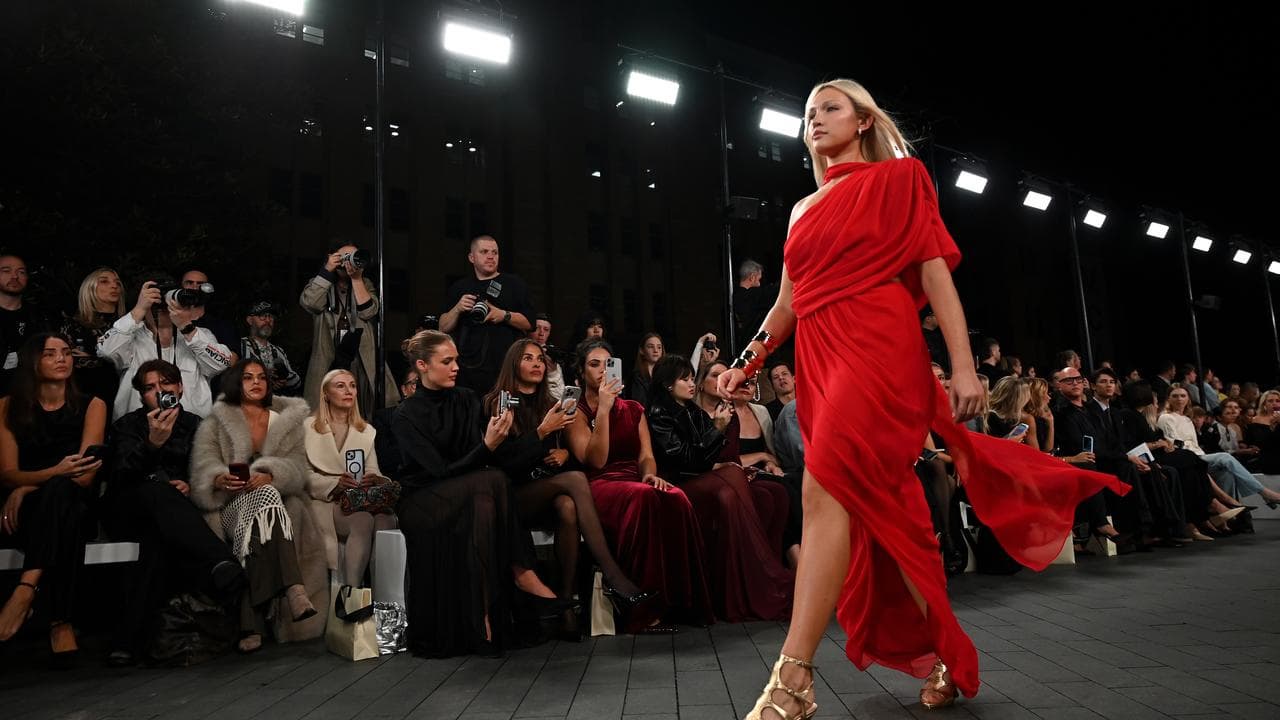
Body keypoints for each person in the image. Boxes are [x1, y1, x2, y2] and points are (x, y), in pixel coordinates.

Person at [718, 78, 1128, 717]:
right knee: (889, 514)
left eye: (831, 108)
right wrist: (745, 363)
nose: (816, 119)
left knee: (821, 487)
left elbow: (936, 273)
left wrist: (965, 369)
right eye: (809, 112)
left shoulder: (901, 178)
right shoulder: (802, 210)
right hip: (820, 357)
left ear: (862, 122)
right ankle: (942, 651)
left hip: (878, 348)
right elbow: (786, 306)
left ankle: (793, 678)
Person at [392, 330, 574, 657]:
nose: (455, 367)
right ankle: (525, 578)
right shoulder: (405, 414)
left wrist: (533, 434)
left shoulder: (466, 399)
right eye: (446, 361)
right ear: (422, 365)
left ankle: (485, 621)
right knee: (489, 483)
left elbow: (496, 460)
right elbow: (439, 472)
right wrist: (486, 446)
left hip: (470, 492)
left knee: (490, 488)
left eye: (456, 360)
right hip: (423, 502)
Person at [484, 339, 651, 640]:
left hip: (544, 488)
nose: (536, 364)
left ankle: (566, 604)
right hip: (510, 495)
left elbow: (573, 453)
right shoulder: (498, 402)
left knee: (568, 505)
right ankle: (611, 573)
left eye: (539, 359)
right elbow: (502, 463)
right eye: (527, 359)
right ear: (513, 364)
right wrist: (542, 432)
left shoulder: (551, 403)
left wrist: (563, 455)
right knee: (575, 480)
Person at [101, 359, 245, 665]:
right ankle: (219, 560)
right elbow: (120, 477)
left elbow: (208, 469)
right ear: (142, 397)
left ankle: (127, 641)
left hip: (172, 518)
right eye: (150, 388)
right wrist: (151, 445)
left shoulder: (196, 426)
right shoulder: (127, 426)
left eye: (165, 384)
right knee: (155, 489)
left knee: (153, 541)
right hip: (129, 509)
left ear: (179, 387)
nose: (159, 392)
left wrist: (191, 487)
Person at [565, 340, 714, 632]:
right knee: (643, 500)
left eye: (607, 364)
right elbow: (595, 460)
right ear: (581, 373)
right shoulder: (576, 412)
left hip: (634, 480)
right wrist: (604, 411)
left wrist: (649, 474)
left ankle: (681, 603)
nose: (601, 371)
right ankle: (645, 611)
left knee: (676, 497)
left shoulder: (634, 409)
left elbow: (646, 455)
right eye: (593, 364)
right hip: (599, 485)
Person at [190, 359, 325, 653]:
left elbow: (299, 469)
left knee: (268, 502)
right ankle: (294, 588)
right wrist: (218, 479)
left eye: (261, 377)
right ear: (236, 383)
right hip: (229, 505)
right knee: (266, 508)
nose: (256, 383)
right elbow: (201, 469)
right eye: (248, 377)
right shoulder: (216, 422)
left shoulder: (284, 421)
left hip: (272, 503)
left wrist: (271, 474)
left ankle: (250, 625)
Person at [648, 354, 793, 621]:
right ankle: (766, 569)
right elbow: (684, 461)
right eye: (685, 379)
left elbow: (712, 458)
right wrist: (717, 429)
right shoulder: (660, 413)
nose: (691, 384)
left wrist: (720, 437)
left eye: (692, 378)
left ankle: (746, 585)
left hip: (705, 479)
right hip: (676, 485)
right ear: (668, 384)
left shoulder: (692, 411)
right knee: (732, 476)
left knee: (765, 492)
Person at [0, 333, 107, 661]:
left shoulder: (93, 405)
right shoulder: (7, 406)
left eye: (66, 353)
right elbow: (6, 474)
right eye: (50, 354)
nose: (62, 359)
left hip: (75, 502)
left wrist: (28, 484)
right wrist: (50, 475)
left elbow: (85, 476)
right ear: (34, 361)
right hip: (27, 513)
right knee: (63, 499)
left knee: (66, 497)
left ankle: (27, 587)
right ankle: (61, 622)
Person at [304, 369, 397, 586]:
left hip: (360, 497)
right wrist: (334, 484)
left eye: (353, 385)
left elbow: (374, 470)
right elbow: (302, 476)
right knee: (362, 520)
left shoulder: (366, 431)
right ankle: (352, 598)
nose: (349, 391)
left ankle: (385, 604)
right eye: (340, 386)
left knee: (387, 520)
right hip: (325, 500)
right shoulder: (307, 428)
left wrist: (374, 480)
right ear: (325, 393)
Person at [98, 279, 234, 418]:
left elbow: (222, 363)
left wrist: (186, 327)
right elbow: (105, 351)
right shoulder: (129, 336)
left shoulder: (199, 334)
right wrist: (138, 310)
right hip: (137, 432)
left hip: (190, 431)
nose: (163, 308)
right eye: (156, 303)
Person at [300, 242, 397, 415]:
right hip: (328, 358)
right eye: (344, 257)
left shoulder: (365, 283)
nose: (349, 262)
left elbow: (369, 312)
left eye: (354, 257)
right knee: (322, 415)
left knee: (361, 412)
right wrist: (327, 270)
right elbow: (310, 303)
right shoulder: (320, 283)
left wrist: (357, 279)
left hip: (359, 360)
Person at [440, 235, 534, 393]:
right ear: (471, 257)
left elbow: (530, 323)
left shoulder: (514, 284)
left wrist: (504, 315)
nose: (491, 256)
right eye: (484, 252)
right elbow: (442, 327)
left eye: (495, 252)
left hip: (504, 369)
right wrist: (457, 308)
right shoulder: (460, 287)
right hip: (466, 370)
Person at [59, 267, 126, 403]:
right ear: (89, 288)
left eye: (117, 283)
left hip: (124, 396)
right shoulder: (74, 325)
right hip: (85, 398)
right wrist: (107, 360)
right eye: (104, 282)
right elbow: (73, 364)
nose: (114, 286)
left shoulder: (128, 324)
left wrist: (94, 358)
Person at [0, 254, 52, 396]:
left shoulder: (39, 317)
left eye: (21, 272)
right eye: (6, 271)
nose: (14, 276)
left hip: (32, 397)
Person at [240, 301, 303, 397]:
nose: (268, 320)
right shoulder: (240, 345)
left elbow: (297, 382)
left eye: (270, 316)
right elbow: (233, 378)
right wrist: (264, 376)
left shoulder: (278, 350)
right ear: (250, 320)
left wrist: (282, 378)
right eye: (262, 316)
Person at [625, 333, 664, 404]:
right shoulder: (636, 377)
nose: (656, 350)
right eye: (650, 347)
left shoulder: (667, 374)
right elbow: (638, 405)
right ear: (642, 351)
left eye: (659, 347)